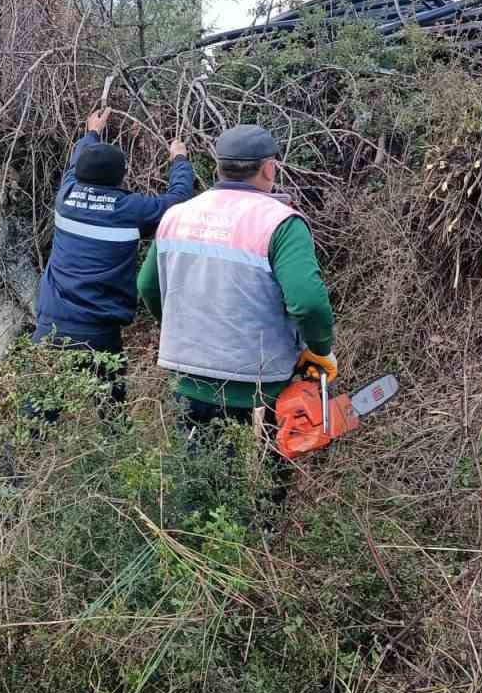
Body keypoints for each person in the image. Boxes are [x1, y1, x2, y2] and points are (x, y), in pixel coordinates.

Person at [137, 123, 334, 457]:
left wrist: (183, 331)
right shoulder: (281, 222)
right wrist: (320, 348)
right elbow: (308, 302)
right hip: (260, 385)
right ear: (269, 168)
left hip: (189, 377)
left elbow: (147, 286)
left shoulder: (176, 215)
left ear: (218, 167)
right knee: (261, 480)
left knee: (198, 476)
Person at [32, 107, 194, 408]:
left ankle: (20, 456)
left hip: (50, 327)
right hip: (99, 333)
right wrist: (179, 160)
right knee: (111, 415)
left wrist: (91, 132)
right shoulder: (129, 210)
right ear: (120, 177)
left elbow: (73, 161)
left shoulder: (66, 195)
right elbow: (177, 202)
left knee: (36, 415)